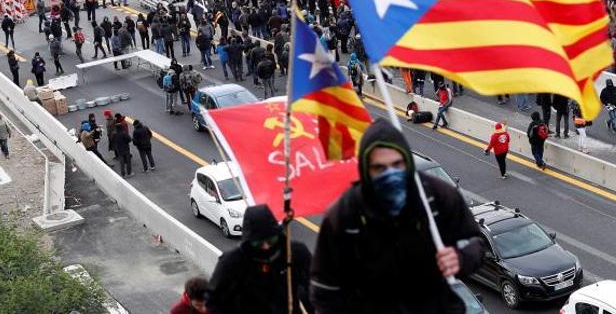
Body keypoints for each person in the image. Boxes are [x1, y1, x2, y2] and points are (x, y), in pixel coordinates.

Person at [310, 119, 484, 313]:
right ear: (366, 170)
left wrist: (461, 258)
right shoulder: (344, 215)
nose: (390, 174)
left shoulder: (437, 197)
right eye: (379, 168)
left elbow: (474, 242)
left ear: (407, 163)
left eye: (397, 164)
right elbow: (325, 289)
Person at [206, 204, 311, 313]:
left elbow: (315, 283)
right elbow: (213, 301)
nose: (266, 247)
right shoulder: (232, 262)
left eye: (271, 240)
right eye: (259, 243)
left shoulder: (294, 252)